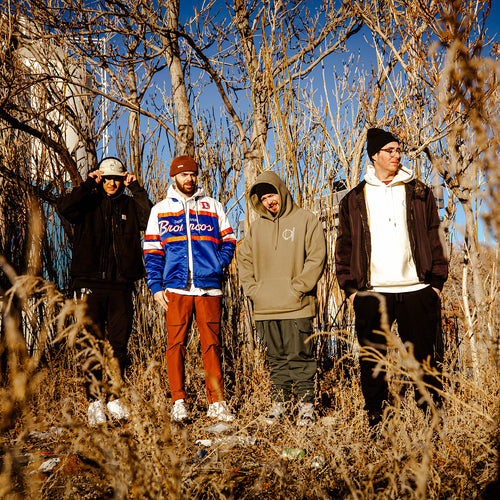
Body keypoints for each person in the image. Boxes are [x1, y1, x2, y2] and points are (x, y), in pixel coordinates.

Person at [335, 127, 448, 429]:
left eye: (399, 150)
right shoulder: (354, 198)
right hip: (372, 291)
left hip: (417, 288)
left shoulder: (419, 192)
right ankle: (378, 422)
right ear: (374, 156)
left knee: (424, 360)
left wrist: (436, 284)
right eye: (390, 150)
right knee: (373, 361)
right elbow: (344, 246)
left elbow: (435, 236)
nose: (397, 155)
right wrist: (350, 289)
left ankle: (432, 421)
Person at [57, 156, 152, 425]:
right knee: (91, 343)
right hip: (89, 282)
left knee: (119, 344)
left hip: (121, 284)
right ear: (101, 178)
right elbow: (64, 207)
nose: (112, 183)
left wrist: (137, 189)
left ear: (123, 179)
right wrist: (88, 185)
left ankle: (114, 398)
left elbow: (149, 219)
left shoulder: (129, 204)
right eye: (108, 178)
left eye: (117, 179)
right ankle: (94, 402)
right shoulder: (87, 202)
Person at [143, 155, 236, 423]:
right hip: (176, 287)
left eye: (193, 174)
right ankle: (179, 401)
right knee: (176, 345)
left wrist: (218, 263)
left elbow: (229, 239)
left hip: (209, 288)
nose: (189, 179)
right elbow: (152, 250)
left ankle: (216, 402)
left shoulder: (212, 206)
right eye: (184, 175)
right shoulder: (160, 210)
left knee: (212, 345)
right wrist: (156, 286)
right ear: (174, 177)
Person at [238, 171, 326, 426]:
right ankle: (280, 405)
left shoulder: (306, 219)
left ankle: (306, 408)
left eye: (271, 195)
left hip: (297, 306)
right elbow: (244, 260)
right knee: (275, 360)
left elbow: (317, 257)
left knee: (301, 357)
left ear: (282, 191)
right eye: (263, 199)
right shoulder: (257, 228)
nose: (269, 201)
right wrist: (254, 290)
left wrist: (298, 288)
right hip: (265, 307)